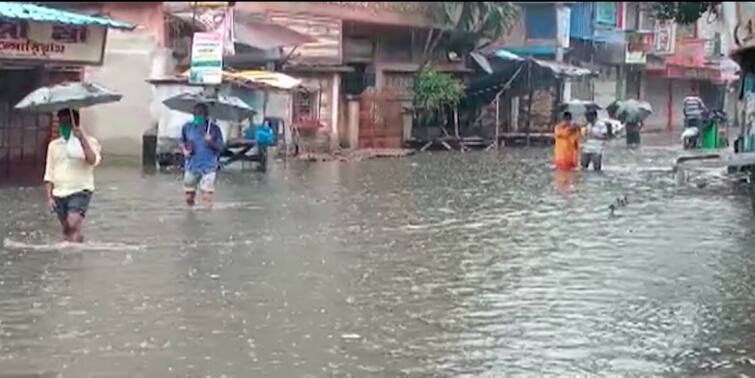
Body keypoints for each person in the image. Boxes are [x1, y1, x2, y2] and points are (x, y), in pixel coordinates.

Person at [44, 109, 102, 243]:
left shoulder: (90, 142)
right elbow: (49, 173)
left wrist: (82, 139)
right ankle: (75, 254)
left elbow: (92, 160)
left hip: (80, 190)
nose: (63, 126)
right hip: (59, 192)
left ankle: (76, 250)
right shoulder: (54, 146)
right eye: (61, 123)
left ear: (75, 124)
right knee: (67, 230)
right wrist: (49, 197)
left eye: (67, 123)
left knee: (72, 223)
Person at [181, 103, 224, 207]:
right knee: (189, 197)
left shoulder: (214, 129)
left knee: (207, 196)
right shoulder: (187, 127)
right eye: (195, 113)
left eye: (200, 113)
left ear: (206, 115)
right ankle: (192, 214)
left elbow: (221, 147)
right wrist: (184, 151)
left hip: (208, 166)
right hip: (191, 165)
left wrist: (211, 142)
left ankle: (205, 218)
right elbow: (182, 141)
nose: (197, 116)